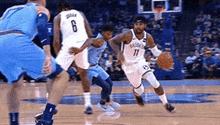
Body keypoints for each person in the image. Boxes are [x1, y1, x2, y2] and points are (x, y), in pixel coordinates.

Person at [0, 0, 70, 125]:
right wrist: (47, 54)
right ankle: (46, 119)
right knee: (62, 75)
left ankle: (14, 122)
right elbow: (42, 26)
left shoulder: (10, 10)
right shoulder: (40, 8)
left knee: (16, 83)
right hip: (17, 40)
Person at [108, 15, 176, 113]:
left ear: (145, 25)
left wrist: (164, 57)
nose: (138, 26)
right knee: (140, 90)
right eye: (136, 24)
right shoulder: (128, 34)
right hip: (128, 65)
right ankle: (137, 94)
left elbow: (155, 51)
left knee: (154, 82)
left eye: (141, 24)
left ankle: (166, 104)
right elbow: (111, 41)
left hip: (140, 62)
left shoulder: (148, 37)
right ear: (134, 25)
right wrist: (119, 53)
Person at [52, 0, 93, 114]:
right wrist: (83, 49)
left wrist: (58, 55)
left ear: (59, 8)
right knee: (83, 74)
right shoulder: (80, 14)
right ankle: (88, 104)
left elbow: (56, 41)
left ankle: (51, 105)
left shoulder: (58, 17)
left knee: (55, 75)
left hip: (69, 46)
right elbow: (90, 35)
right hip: (82, 44)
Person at [69, 23, 120, 112]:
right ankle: (102, 104)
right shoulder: (99, 40)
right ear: (103, 32)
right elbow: (89, 40)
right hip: (88, 68)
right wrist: (80, 49)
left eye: (111, 34)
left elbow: (95, 54)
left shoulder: (104, 40)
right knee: (106, 87)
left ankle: (108, 101)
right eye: (108, 34)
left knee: (110, 83)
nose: (110, 36)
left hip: (95, 65)